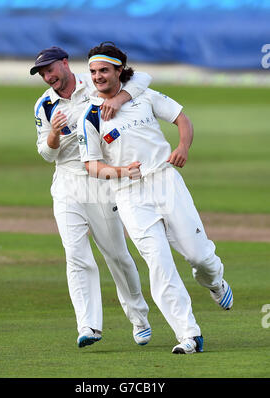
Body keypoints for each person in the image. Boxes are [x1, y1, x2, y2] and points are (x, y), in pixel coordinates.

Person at [78, 42, 233, 354]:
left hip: (165, 180)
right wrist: (120, 171)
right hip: (130, 194)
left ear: (119, 70)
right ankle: (189, 334)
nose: (98, 76)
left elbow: (182, 119)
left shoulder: (143, 95)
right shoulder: (91, 116)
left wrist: (182, 148)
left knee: (199, 256)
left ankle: (215, 282)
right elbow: (91, 165)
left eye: (104, 70)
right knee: (158, 263)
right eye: (93, 71)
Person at [30, 46, 153, 348]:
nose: (48, 77)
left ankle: (139, 318)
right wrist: (54, 135)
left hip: (99, 180)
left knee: (117, 255)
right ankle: (88, 325)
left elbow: (143, 79)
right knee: (75, 255)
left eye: (51, 69)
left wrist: (121, 97)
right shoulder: (44, 106)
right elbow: (46, 154)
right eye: (43, 73)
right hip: (67, 183)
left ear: (65, 64)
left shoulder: (95, 81)